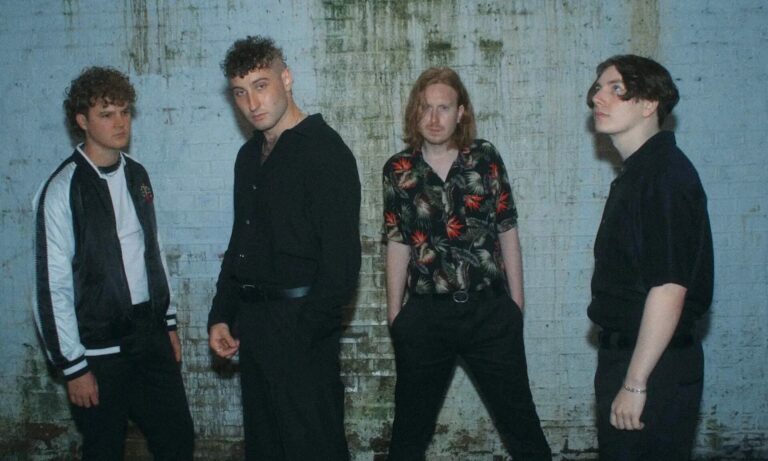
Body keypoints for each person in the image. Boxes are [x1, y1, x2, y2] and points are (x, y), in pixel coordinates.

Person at [382, 67, 552, 460]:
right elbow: (396, 241)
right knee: (408, 435)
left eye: (444, 107)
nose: (434, 118)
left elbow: (507, 229)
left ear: (461, 113)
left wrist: (515, 306)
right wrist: (396, 316)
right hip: (426, 316)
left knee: (523, 427)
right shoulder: (398, 170)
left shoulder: (485, 159)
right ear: (414, 113)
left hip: (489, 312)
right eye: (425, 108)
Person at [207, 36, 361, 461]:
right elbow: (241, 242)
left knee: (315, 447)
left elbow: (342, 264)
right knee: (267, 448)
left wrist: (306, 333)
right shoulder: (248, 157)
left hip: (301, 326)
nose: (252, 101)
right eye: (240, 92)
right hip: (254, 326)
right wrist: (222, 313)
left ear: (286, 78)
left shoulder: (325, 152)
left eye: (261, 84)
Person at [33, 66, 194, 460]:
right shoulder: (62, 190)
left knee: (178, 439)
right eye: (107, 114)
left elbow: (152, 252)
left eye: (124, 111)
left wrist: (168, 322)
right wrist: (73, 366)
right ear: (82, 121)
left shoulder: (138, 174)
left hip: (150, 337)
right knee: (104, 449)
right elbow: (51, 286)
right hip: (99, 352)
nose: (120, 122)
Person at [587, 55, 714, 460]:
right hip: (633, 358)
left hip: (653, 367)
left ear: (649, 104)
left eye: (616, 88)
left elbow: (669, 288)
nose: (598, 97)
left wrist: (636, 382)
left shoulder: (663, 176)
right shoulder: (640, 174)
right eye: (598, 88)